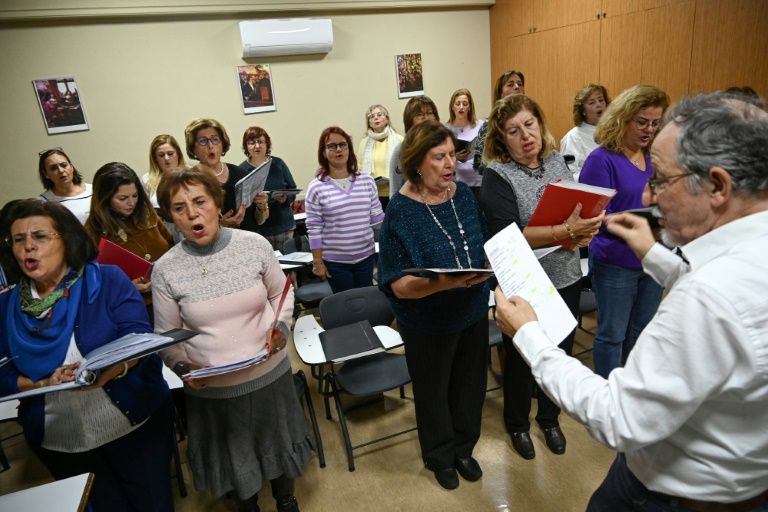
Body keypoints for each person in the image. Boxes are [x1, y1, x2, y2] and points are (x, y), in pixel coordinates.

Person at [494, 92, 768, 512]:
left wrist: (531, 335)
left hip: (671, 494)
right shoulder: (741, 262)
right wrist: (653, 254)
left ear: (717, 185)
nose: (647, 199)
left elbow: (618, 418)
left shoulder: (707, 299)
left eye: (659, 179)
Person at [152, 168, 310, 512]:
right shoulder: (165, 270)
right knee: (234, 454)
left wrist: (281, 331)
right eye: (179, 208)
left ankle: (286, 499)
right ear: (171, 217)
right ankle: (247, 504)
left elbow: (280, 296)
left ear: (217, 202)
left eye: (199, 201)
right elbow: (166, 336)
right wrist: (183, 367)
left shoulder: (253, 245)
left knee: (279, 441)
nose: (192, 213)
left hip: (269, 373)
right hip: (215, 389)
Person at [0, 199, 173, 511]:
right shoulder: (5, 308)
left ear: (66, 239)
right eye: (18, 239)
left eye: (39, 236)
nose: (28, 248)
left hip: (133, 422)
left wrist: (113, 369)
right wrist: (38, 385)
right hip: (61, 439)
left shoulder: (107, 280)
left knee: (152, 503)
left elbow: (138, 338)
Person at [479, 94, 602, 460]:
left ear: (540, 123)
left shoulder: (553, 161)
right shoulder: (497, 176)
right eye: (513, 132)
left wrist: (581, 231)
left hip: (565, 274)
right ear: (502, 139)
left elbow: (573, 209)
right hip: (525, 282)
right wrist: (565, 229)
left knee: (560, 350)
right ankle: (517, 423)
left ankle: (550, 418)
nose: (525, 136)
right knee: (521, 359)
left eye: (529, 125)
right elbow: (508, 235)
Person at [378, 121, 491, 490]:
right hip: (427, 322)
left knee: (469, 387)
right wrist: (446, 282)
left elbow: (486, 243)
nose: (449, 165)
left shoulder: (463, 196)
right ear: (415, 162)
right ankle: (440, 456)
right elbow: (399, 285)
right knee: (433, 393)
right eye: (438, 157)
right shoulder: (400, 210)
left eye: (451, 156)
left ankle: (463, 449)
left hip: (472, 311)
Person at [579, 84, 669, 378]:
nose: (649, 130)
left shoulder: (653, 156)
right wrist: (631, 219)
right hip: (616, 260)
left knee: (642, 330)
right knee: (612, 335)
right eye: (642, 122)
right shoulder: (601, 159)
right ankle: (608, 395)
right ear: (622, 119)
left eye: (655, 123)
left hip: (653, 257)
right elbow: (589, 218)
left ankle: (632, 387)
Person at [84, 162, 173, 317]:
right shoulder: (93, 230)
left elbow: (171, 246)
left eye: (135, 195)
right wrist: (127, 287)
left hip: (169, 296)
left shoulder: (147, 214)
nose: (132, 203)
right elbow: (90, 283)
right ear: (105, 199)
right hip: (133, 307)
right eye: (123, 198)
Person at [305, 127, 383, 293]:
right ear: (324, 153)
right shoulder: (316, 187)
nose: (339, 149)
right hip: (335, 263)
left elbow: (378, 220)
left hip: (366, 258)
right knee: (347, 310)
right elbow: (314, 229)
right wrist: (317, 261)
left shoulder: (367, 181)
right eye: (332, 146)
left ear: (349, 149)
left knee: (367, 303)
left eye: (343, 145)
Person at [184, 118, 268, 229]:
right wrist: (220, 225)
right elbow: (188, 227)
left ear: (223, 144)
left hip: (248, 241)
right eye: (203, 141)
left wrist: (262, 207)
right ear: (193, 148)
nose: (210, 146)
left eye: (215, 139)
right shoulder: (189, 181)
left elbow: (259, 220)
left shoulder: (240, 173)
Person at [239, 126, 298, 250]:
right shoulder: (241, 170)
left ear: (267, 144)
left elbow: (292, 189)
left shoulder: (278, 164)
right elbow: (242, 202)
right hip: (259, 231)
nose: (257, 146)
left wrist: (285, 198)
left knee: (289, 266)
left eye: (260, 141)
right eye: (251, 143)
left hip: (284, 226)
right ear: (246, 147)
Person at [473, 70, 525, 175]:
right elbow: (479, 164)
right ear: (500, 93)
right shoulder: (490, 125)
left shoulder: (531, 121)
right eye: (510, 84)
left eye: (519, 84)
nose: (516, 87)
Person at [388, 96, 440, 198]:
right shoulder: (401, 151)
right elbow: (395, 191)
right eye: (419, 114)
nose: (426, 118)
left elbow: (451, 181)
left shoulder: (443, 146)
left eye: (430, 113)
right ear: (410, 120)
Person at [560, 84, 610, 180]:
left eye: (601, 100)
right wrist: (595, 176)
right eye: (592, 103)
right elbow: (567, 176)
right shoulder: (573, 137)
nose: (599, 104)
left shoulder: (614, 132)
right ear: (583, 110)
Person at [357, 104, 403, 207]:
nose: (376, 118)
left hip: (397, 193)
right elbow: (359, 169)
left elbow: (405, 166)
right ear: (369, 123)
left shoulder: (399, 140)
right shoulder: (364, 143)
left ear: (387, 119)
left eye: (379, 114)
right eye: (372, 116)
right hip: (373, 196)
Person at [445, 88, 485, 198]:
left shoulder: (481, 126)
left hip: (480, 181)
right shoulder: (445, 129)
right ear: (452, 107)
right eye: (457, 104)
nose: (461, 107)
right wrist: (454, 157)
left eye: (465, 103)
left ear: (470, 107)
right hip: (457, 182)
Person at [37, 148, 93, 224]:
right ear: (46, 174)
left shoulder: (94, 190)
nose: (61, 170)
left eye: (64, 165)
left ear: (71, 167)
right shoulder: (43, 202)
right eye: (53, 168)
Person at [142, 134, 187, 208]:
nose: (166, 158)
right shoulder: (147, 179)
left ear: (178, 154)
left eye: (170, 154)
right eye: (161, 155)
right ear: (155, 158)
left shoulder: (191, 174)